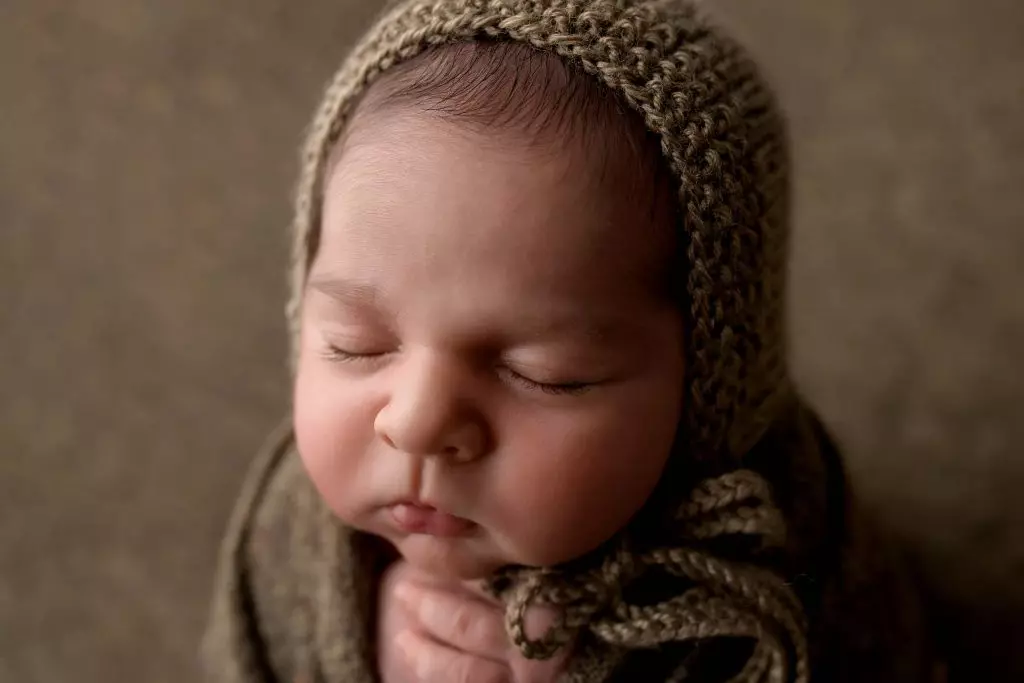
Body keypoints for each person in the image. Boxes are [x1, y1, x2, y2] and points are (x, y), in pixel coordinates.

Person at [202, 1, 937, 681]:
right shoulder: (291, 528)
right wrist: (356, 638)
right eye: (356, 343)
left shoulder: (781, 552)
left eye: (545, 373)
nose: (417, 421)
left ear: (712, 381)